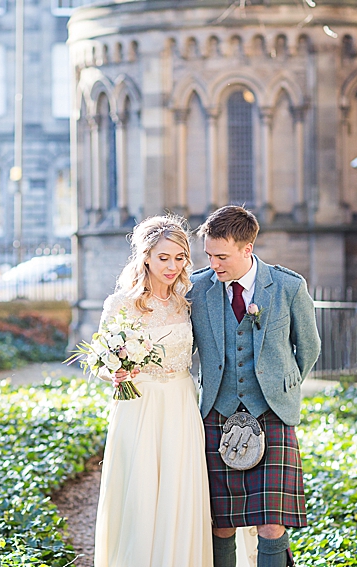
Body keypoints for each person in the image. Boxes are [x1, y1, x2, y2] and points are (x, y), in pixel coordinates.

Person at [188, 206, 321, 567]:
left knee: (272, 524)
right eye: (209, 255)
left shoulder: (288, 287)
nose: (214, 263)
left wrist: (282, 386)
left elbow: (308, 348)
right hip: (217, 411)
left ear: (247, 249)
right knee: (220, 523)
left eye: (222, 256)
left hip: (272, 413)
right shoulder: (197, 289)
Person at [93, 214, 213, 567]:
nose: (172, 266)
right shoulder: (120, 304)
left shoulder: (188, 301)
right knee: (141, 493)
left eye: (180, 258)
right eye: (164, 258)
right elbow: (101, 360)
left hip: (180, 403)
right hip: (139, 406)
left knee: (180, 491)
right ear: (145, 256)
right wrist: (116, 373)